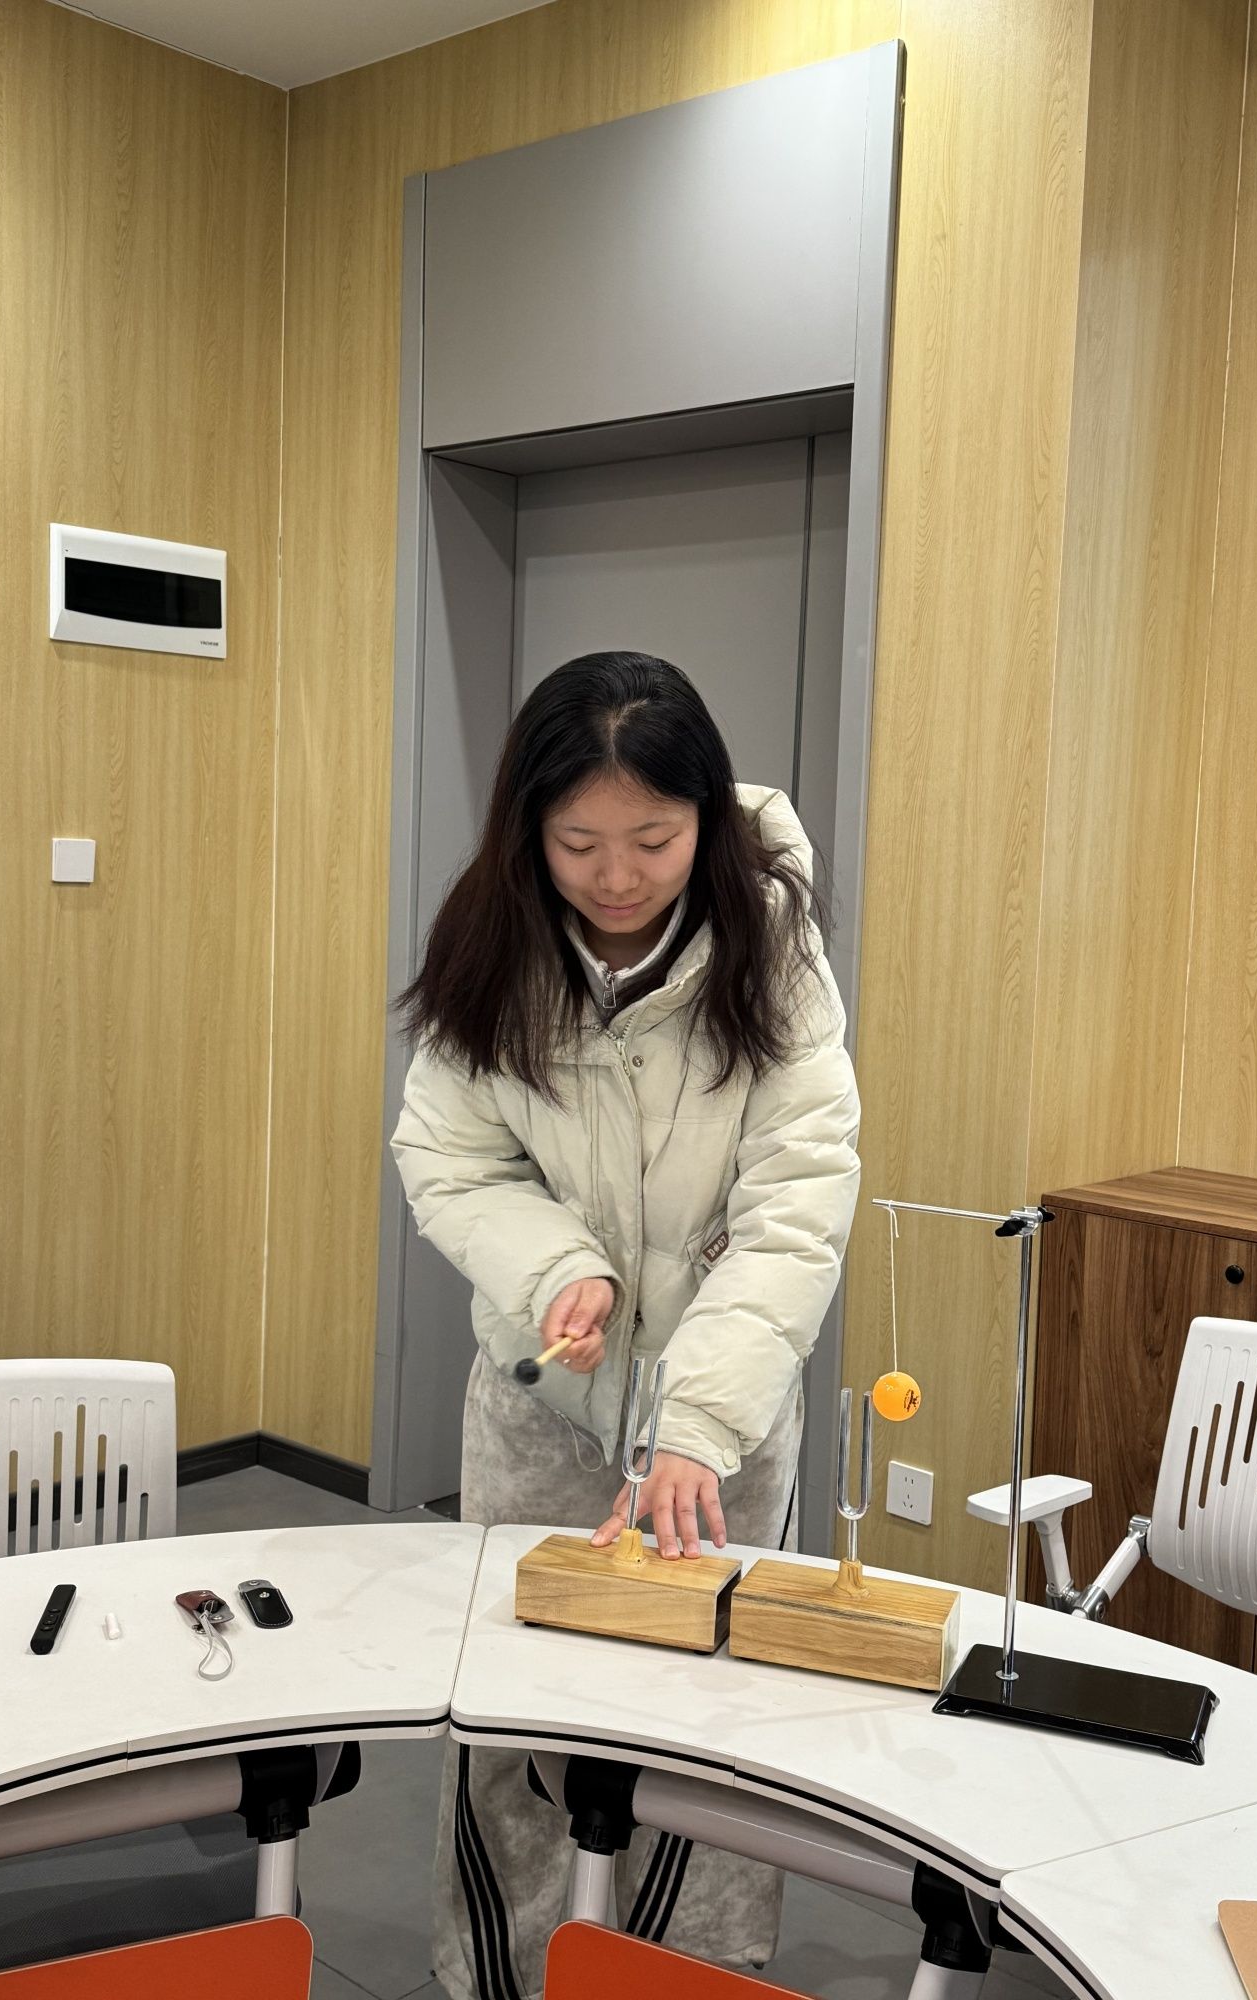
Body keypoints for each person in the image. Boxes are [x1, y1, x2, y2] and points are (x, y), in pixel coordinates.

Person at [391, 651, 861, 1999]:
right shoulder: (492, 941)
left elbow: (796, 1203)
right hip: (546, 1401)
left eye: (652, 840)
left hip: (720, 1420)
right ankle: (501, 1975)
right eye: (578, 843)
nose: (615, 877)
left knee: (703, 1723)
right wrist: (555, 1268)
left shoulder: (771, 945)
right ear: (528, 830)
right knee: (516, 1719)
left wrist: (698, 1423)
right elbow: (448, 1157)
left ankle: (685, 1976)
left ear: (705, 817)